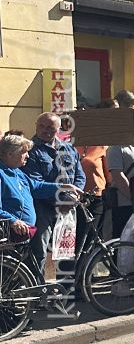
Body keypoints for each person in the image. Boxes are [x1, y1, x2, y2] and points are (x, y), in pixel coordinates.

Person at [23, 113, 86, 270]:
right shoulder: (30, 150)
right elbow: (36, 184)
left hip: (68, 208)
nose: (45, 130)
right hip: (42, 209)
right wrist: (62, 201)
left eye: (50, 127)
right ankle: (39, 290)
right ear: (36, 125)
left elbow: (80, 176)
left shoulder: (69, 149)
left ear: (58, 129)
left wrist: (72, 200)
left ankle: (61, 290)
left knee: (64, 253)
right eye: (41, 126)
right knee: (40, 253)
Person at [1, 134, 79, 243]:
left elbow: (36, 187)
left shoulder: (16, 171)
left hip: (22, 235)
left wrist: (64, 187)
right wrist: (13, 221)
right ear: (10, 154)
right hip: (9, 236)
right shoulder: (1, 174)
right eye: (24, 152)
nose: (27, 156)